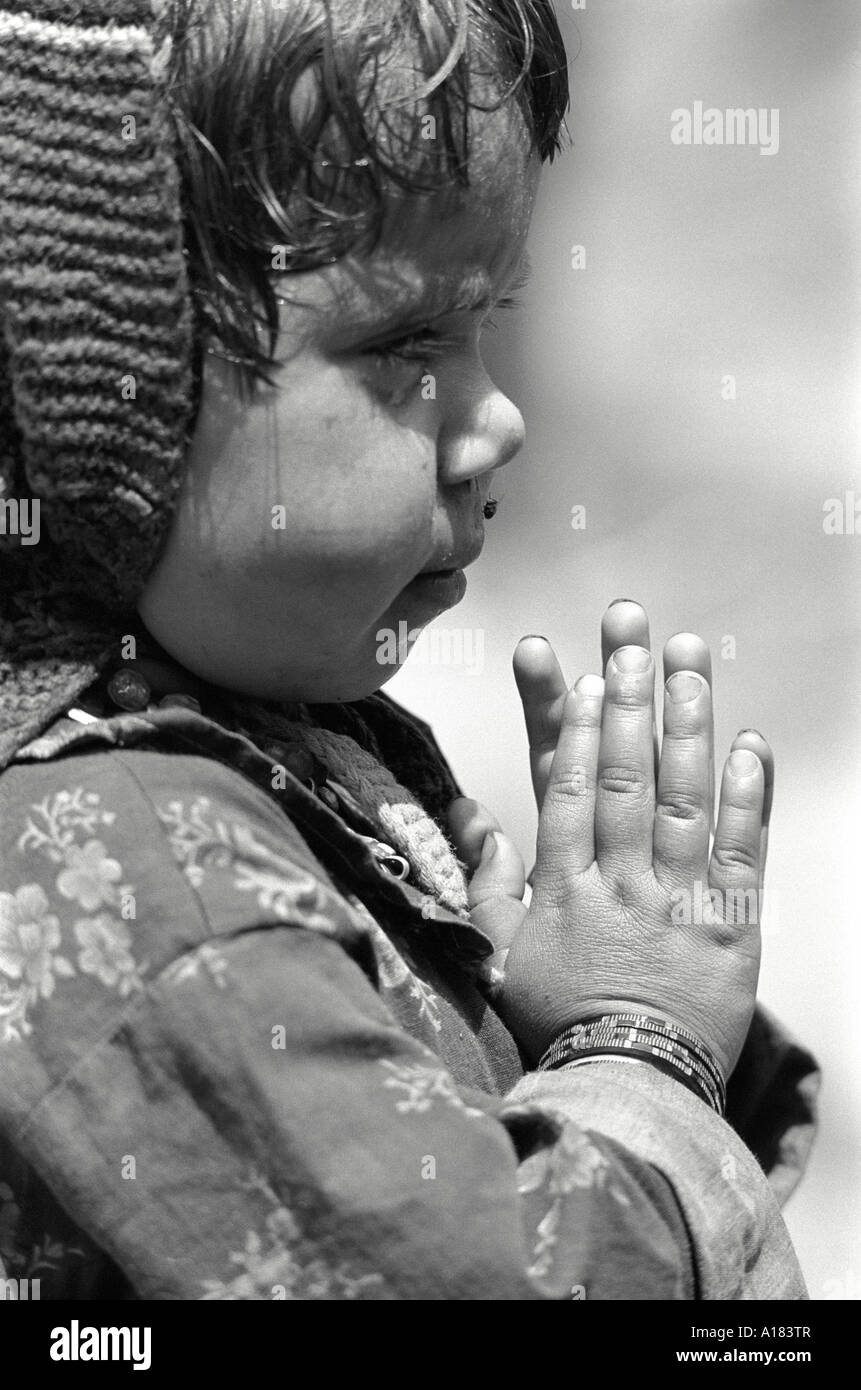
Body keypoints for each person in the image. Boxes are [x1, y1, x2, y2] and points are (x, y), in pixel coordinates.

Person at [0, 0, 817, 1300]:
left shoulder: (261, 730)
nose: (496, 420)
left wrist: (537, 997)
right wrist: (637, 1052)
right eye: (402, 345)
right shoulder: (128, 865)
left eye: (491, 320)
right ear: (97, 401)